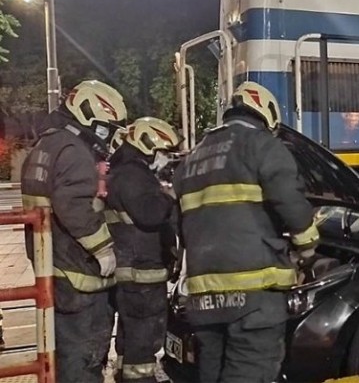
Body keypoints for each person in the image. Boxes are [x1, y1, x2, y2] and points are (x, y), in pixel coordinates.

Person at [173, 81, 318, 382]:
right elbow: (291, 203)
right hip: (254, 297)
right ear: (267, 116)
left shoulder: (193, 158)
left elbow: (180, 225)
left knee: (211, 374)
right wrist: (307, 246)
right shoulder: (262, 144)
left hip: (203, 298)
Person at [20, 79, 128, 383]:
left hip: (53, 269)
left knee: (63, 357)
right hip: (79, 277)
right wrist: (104, 248)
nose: (106, 136)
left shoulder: (45, 146)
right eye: (106, 127)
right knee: (83, 361)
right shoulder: (74, 151)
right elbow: (74, 205)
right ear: (87, 114)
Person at [105, 116, 181, 383]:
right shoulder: (134, 174)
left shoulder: (123, 171)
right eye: (163, 152)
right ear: (148, 144)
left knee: (131, 335)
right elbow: (150, 214)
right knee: (143, 336)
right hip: (141, 272)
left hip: (132, 270)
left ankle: (126, 376)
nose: (165, 159)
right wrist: (168, 196)